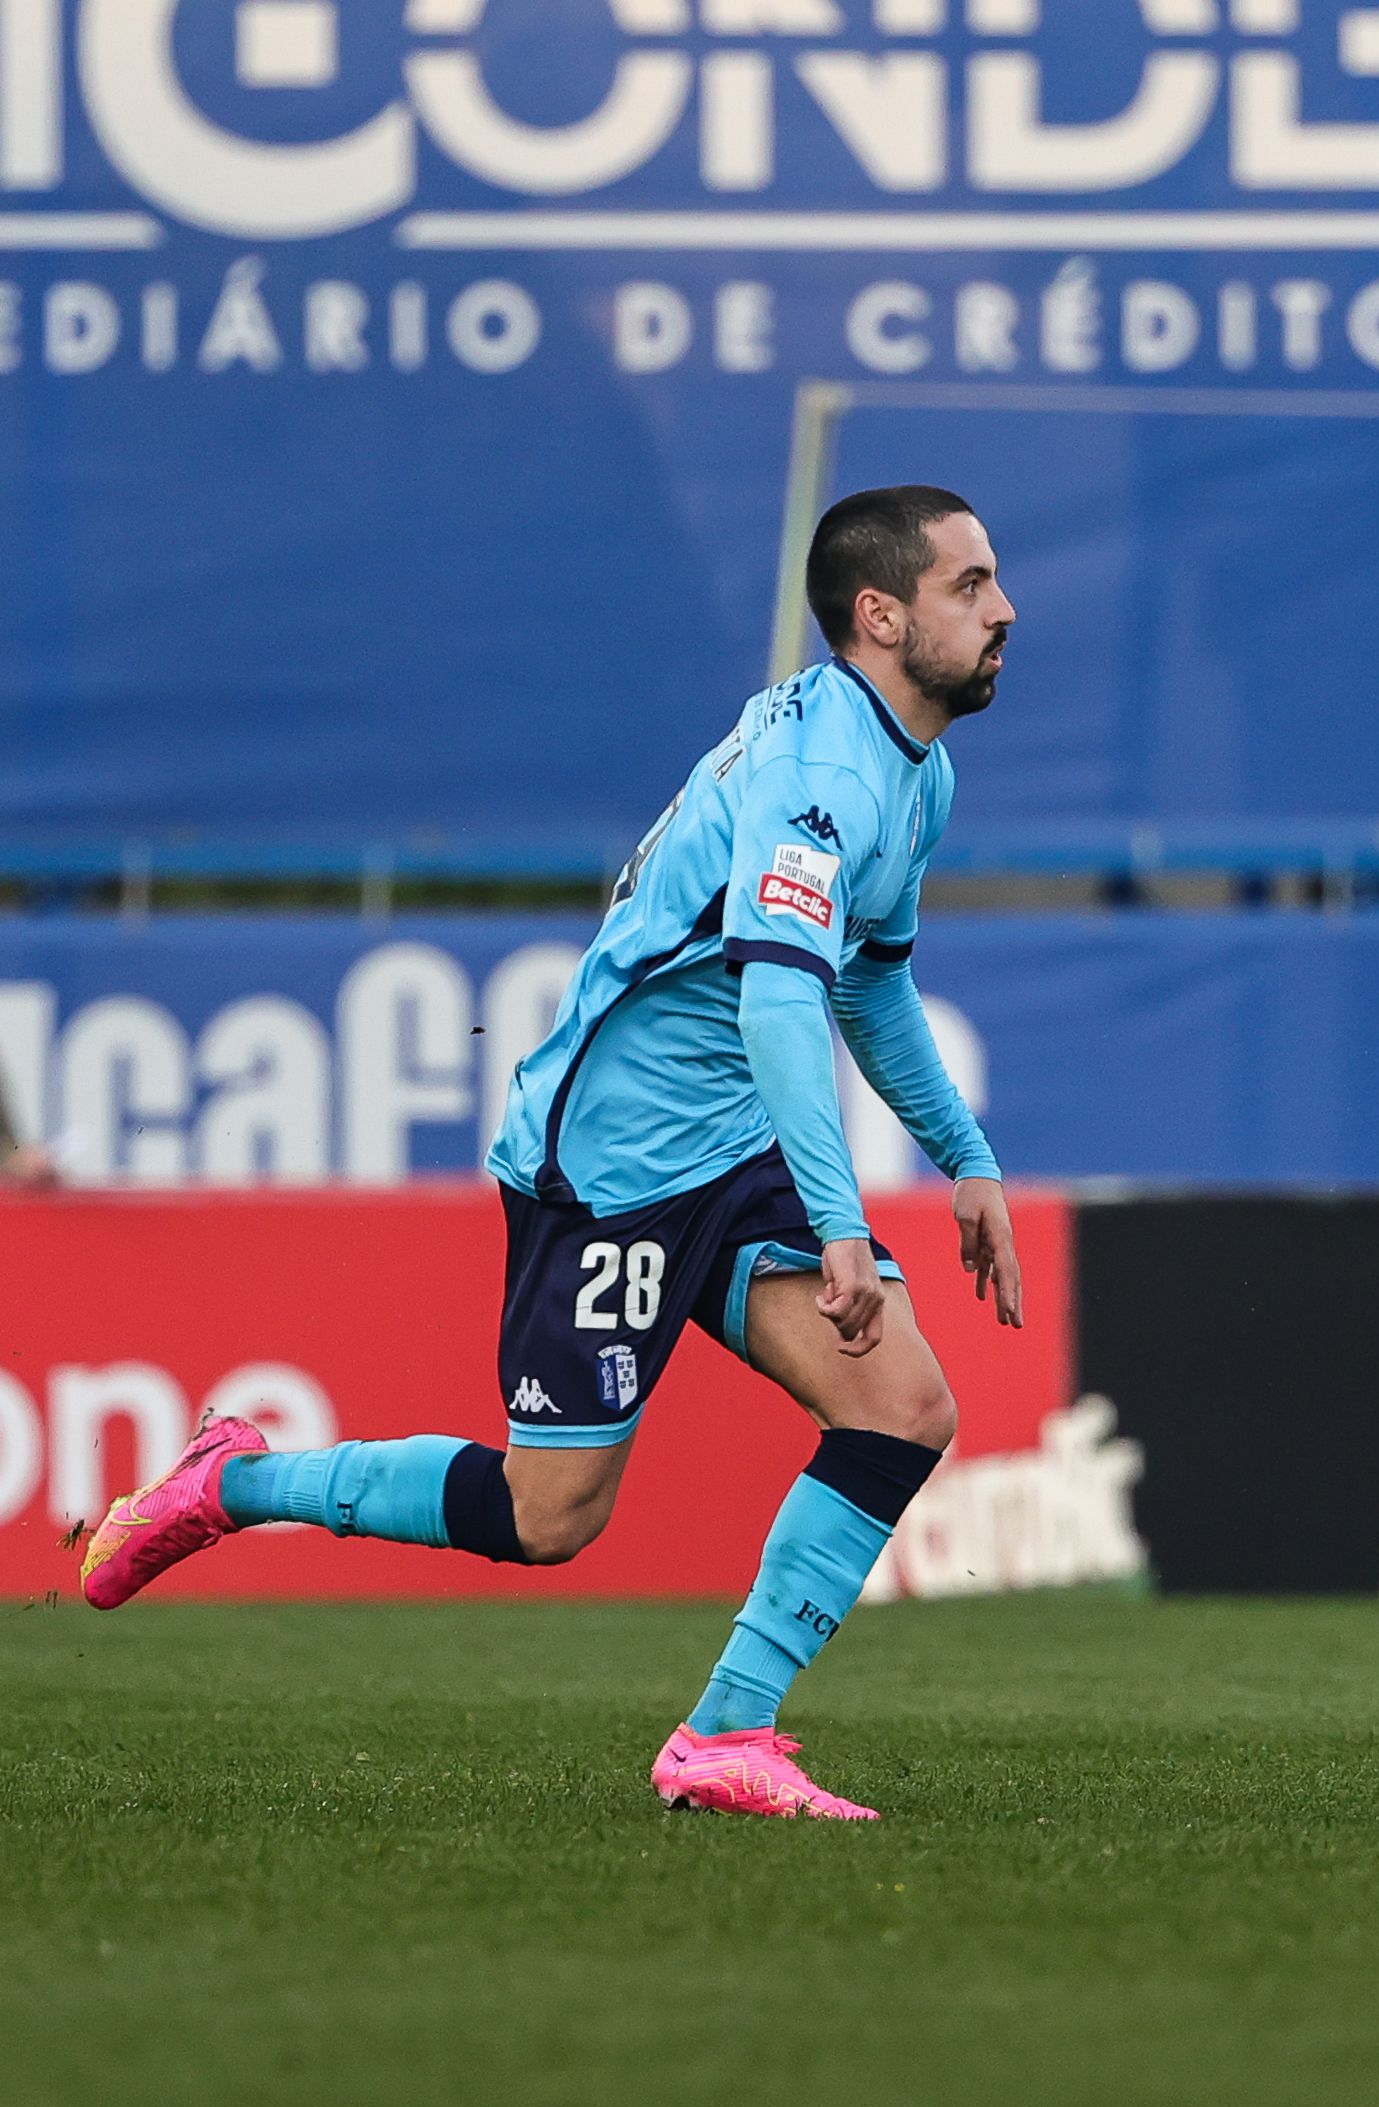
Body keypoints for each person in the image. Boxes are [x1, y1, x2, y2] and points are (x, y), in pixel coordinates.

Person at [78, 485, 1026, 1817]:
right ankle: (235, 1481)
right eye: (970, 585)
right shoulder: (821, 778)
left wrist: (964, 1158)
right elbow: (771, 998)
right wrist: (841, 1223)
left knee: (904, 1406)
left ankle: (723, 1737)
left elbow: (864, 981)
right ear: (881, 614)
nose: (1003, 609)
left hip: (731, 1138)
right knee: (550, 1518)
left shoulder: (912, 768)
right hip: (617, 1162)